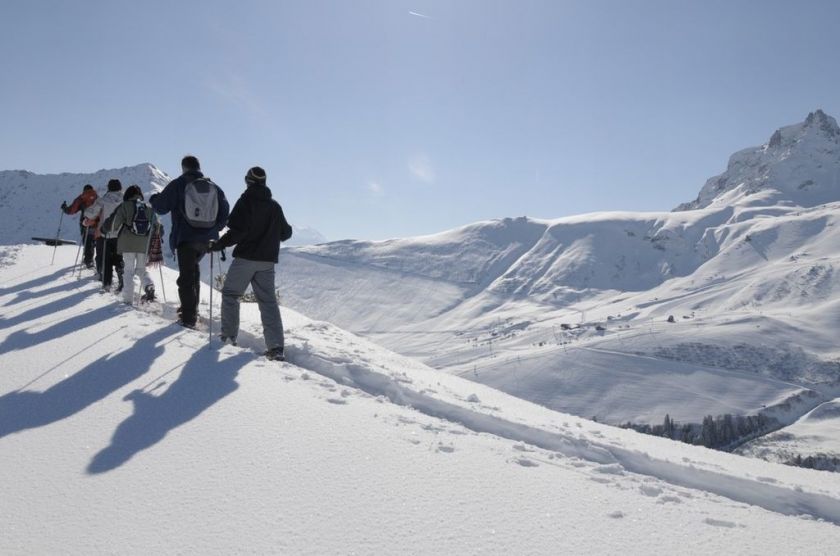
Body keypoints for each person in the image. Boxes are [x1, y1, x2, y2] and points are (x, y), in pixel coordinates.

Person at [209, 166, 292, 361]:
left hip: (246, 258)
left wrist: (218, 244)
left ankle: (229, 338)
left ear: (249, 181)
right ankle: (276, 348)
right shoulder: (274, 206)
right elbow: (286, 233)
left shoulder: (245, 202)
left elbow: (237, 232)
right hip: (267, 262)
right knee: (268, 302)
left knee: (231, 294)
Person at [150, 155, 229, 328]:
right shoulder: (214, 187)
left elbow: (161, 207)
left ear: (183, 168)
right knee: (193, 272)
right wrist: (213, 229)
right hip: (207, 240)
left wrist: (153, 199)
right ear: (199, 167)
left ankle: (188, 318)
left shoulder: (179, 184)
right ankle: (192, 310)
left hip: (185, 237)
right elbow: (225, 213)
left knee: (186, 277)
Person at [104, 185, 161, 305]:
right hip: (143, 245)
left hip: (127, 244)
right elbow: (157, 226)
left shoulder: (124, 206)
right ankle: (149, 285)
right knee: (141, 269)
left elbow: (114, 224)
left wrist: (105, 228)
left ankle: (128, 300)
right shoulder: (148, 207)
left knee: (128, 271)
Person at [90, 179, 125, 291]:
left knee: (107, 260)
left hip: (106, 234)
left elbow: (92, 213)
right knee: (119, 257)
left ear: (109, 187)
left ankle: (107, 284)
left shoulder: (103, 200)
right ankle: (121, 276)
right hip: (120, 234)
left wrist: (86, 219)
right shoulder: (125, 199)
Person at [60, 184, 98, 268]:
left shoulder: (81, 198)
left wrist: (64, 208)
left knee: (87, 241)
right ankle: (98, 260)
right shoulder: (97, 197)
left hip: (85, 223)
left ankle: (88, 260)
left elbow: (71, 210)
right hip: (96, 223)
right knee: (95, 241)